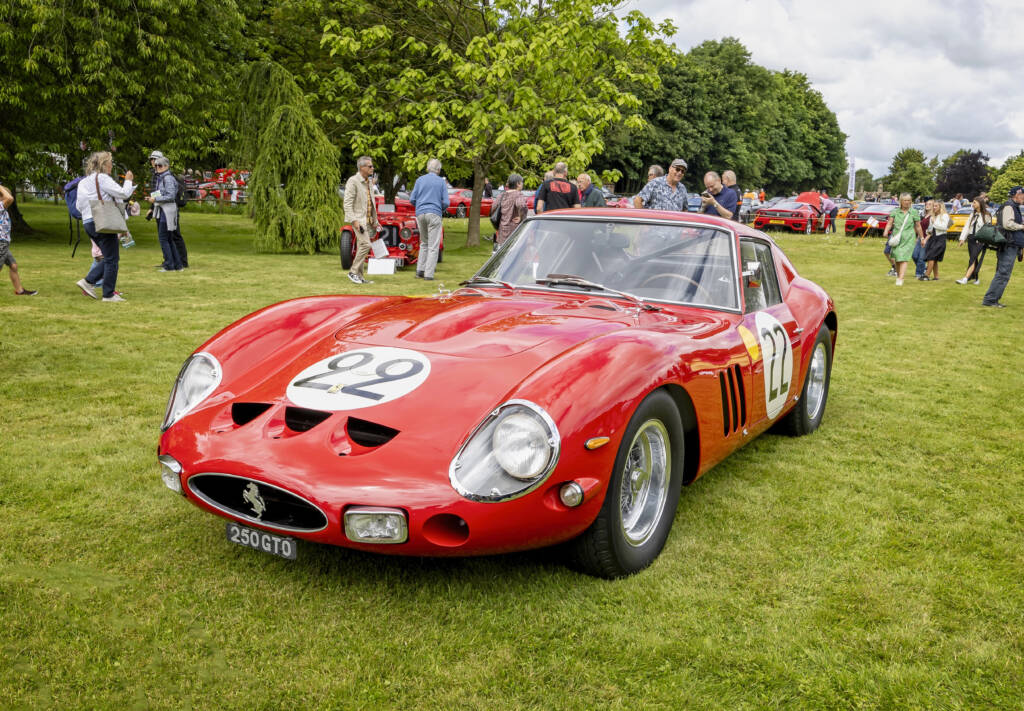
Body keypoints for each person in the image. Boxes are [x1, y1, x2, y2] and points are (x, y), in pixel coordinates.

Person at [74, 151, 134, 301]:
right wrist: (128, 180)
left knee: (108, 257)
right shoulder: (102, 178)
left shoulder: (83, 182)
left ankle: (88, 281)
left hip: (88, 221)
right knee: (112, 258)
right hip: (102, 219)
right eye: (110, 163)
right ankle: (106, 293)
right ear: (104, 164)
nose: (111, 165)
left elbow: (78, 205)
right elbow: (124, 193)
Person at [981, 185, 1024, 308]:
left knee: (1003, 273)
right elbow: (1007, 224)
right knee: (1003, 273)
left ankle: (993, 298)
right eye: (1023, 195)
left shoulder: (1012, 206)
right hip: (1008, 245)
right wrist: (1022, 226)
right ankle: (990, 299)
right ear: (1017, 194)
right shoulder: (1010, 206)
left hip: (1010, 244)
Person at [408, 158, 449, 280]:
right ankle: (429, 274)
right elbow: (446, 202)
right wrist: (439, 207)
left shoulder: (419, 180)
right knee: (433, 245)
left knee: (424, 243)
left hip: (420, 214)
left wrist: (420, 206)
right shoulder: (441, 182)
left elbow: (412, 199)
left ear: (427, 168)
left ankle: (420, 270)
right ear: (439, 170)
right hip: (434, 213)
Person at [342, 156, 379, 284]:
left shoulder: (368, 182)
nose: (372, 168)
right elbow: (347, 203)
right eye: (370, 166)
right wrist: (354, 221)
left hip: (367, 220)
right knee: (366, 245)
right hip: (358, 219)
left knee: (361, 246)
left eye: (372, 166)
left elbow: (371, 202)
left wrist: (375, 221)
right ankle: (353, 272)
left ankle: (360, 277)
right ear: (361, 168)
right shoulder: (353, 181)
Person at [147, 156, 186, 271]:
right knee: (169, 238)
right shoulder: (162, 177)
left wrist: (155, 200)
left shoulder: (167, 178)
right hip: (165, 210)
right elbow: (162, 193)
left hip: (167, 211)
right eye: (156, 165)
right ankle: (177, 265)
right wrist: (152, 197)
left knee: (163, 238)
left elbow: (170, 196)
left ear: (166, 166)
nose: (157, 167)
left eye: (160, 165)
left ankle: (169, 265)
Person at [0, 183, 38, 296]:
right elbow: (10, 198)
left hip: (4, 242)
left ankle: (19, 290)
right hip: (1, 242)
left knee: (13, 265)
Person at [881, 193, 924, 286]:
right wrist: (885, 231)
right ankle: (898, 275)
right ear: (901, 201)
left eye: (909, 200)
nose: (907, 202)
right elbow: (889, 223)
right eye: (905, 200)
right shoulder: (895, 212)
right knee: (897, 257)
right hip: (896, 237)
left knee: (904, 257)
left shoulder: (914, 212)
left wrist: (922, 237)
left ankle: (901, 278)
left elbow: (918, 226)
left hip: (909, 238)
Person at [956, 196, 990, 285]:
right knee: (974, 259)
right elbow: (967, 227)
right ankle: (976, 278)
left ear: (980, 203)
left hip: (980, 240)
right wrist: (962, 239)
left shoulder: (986, 215)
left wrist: (983, 239)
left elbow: (987, 229)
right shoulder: (972, 214)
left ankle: (965, 278)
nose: (972, 204)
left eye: (974, 202)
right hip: (971, 238)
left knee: (972, 258)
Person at [495, 173, 528, 248]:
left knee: (503, 254)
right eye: (521, 182)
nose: (522, 184)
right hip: (514, 230)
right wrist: (521, 218)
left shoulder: (502, 195)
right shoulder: (518, 194)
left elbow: (493, 207)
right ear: (518, 184)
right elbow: (522, 206)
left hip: (502, 229)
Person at [921, 200, 950, 280]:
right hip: (933, 238)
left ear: (941, 206)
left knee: (931, 257)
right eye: (933, 206)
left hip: (940, 238)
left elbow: (944, 227)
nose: (934, 207)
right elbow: (930, 228)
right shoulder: (933, 216)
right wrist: (928, 232)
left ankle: (926, 275)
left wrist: (934, 223)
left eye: (936, 206)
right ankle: (936, 277)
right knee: (934, 258)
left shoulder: (945, 216)